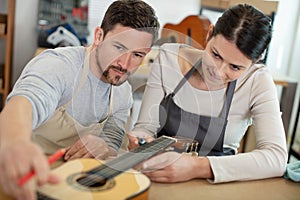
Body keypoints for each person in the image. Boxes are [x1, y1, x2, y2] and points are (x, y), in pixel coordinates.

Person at [0, 0, 159, 199]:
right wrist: (14, 143)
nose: (125, 64)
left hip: (78, 188)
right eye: (119, 47)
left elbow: (114, 136)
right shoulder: (59, 65)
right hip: (27, 181)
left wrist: (103, 145)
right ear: (99, 36)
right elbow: (24, 103)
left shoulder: (122, 92)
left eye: (137, 55)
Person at [128, 4, 287, 184]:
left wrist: (197, 167)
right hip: (161, 176)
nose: (218, 72)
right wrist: (141, 139)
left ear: (255, 61)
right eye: (215, 55)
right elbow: (145, 128)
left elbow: (277, 158)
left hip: (219, 185)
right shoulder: (169, 58)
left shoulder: (257, 81)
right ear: (209, 34)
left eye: (235, 67)